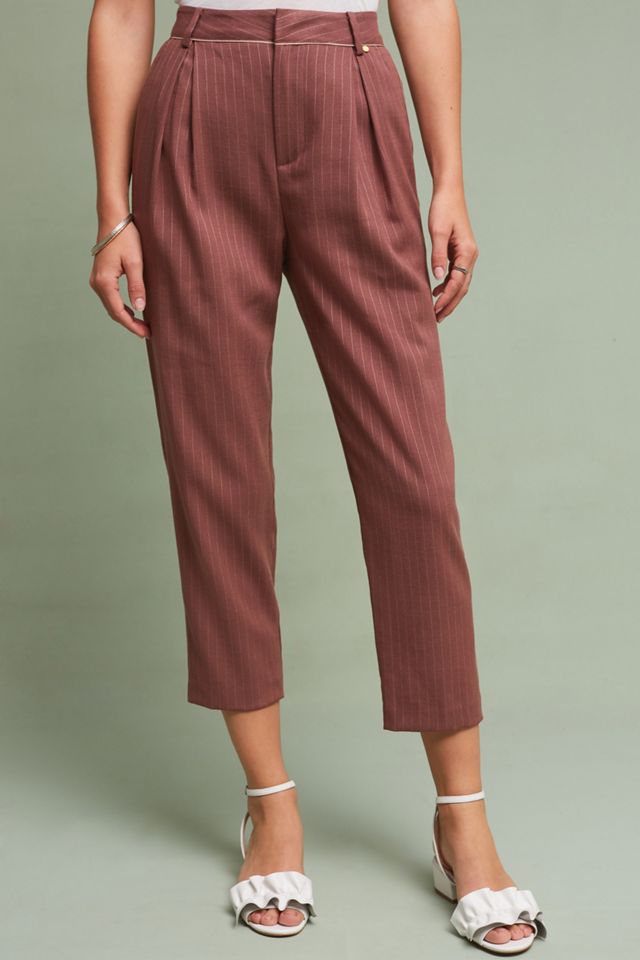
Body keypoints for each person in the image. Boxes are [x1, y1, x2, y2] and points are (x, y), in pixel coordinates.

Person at [87, 0, 547, 951]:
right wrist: (112, 211)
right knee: (218, 476)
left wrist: (450, 177)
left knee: (415, 479)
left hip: (350, 86)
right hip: (198, 96)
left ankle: (462, 816)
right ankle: (270, 803)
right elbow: (123, 8)